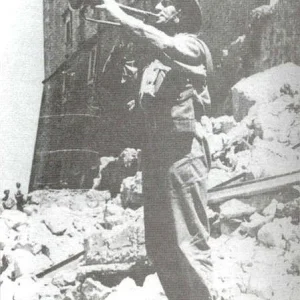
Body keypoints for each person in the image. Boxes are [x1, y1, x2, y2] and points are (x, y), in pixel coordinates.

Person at [101, 1, 214, 299]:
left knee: (189, 242)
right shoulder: (151, 59)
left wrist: (121, 15)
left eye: (167, 2)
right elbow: (111, 87)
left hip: (184, 155)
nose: (157, 5)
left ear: (182, 14)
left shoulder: (192, 45)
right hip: (155, 158)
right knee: (160, 245)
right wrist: (122, 40)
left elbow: (164, 42)